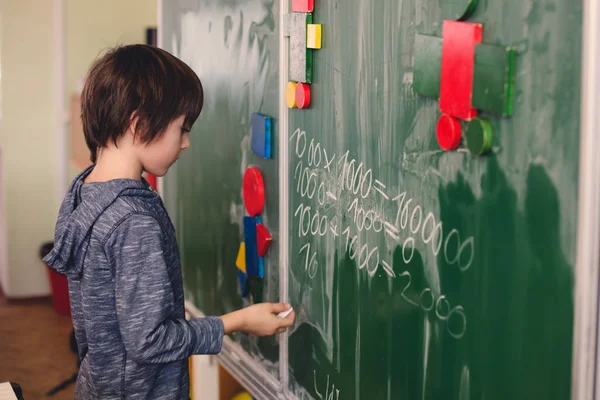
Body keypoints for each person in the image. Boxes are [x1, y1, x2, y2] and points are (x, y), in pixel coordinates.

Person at [43, 44, 295, 400]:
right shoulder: (133, 221)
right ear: (140, 125)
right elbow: (150, 341)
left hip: (98, 386)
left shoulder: (84, 191)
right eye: (183, 129)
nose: (186, 143)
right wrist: (238, 321)